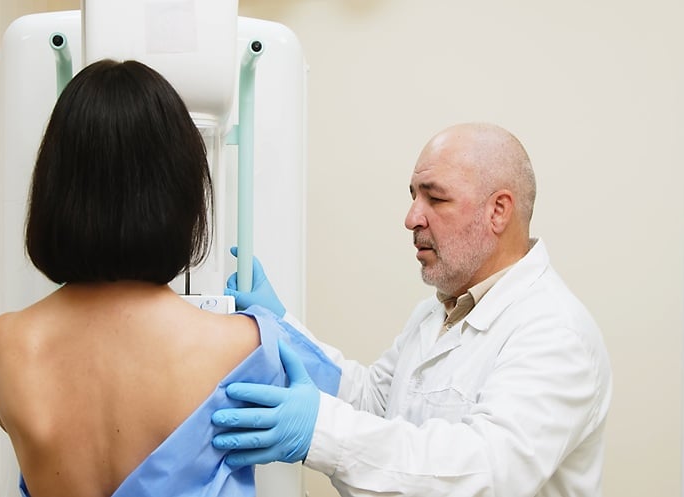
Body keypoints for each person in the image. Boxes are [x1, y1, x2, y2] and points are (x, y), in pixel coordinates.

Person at [0, 59, 340, 497]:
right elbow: (346, 398)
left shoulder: (4, 344)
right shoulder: (245, 345)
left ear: (55, 187)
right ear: (183, 193)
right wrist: (274, 323)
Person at [212, 122, 613, 497]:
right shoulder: (437, 312)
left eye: (435, 198)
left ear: (498, 211)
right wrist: (282, 331)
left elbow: (482, 474)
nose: (410, 218)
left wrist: (317, 430)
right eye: (413, 196)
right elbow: (374, 402)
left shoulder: (555, 333)